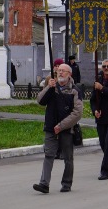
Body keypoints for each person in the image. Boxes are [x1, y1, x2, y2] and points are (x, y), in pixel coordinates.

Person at [33, 63, 83, 194]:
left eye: (63, 71)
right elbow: (40, 101)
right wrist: (49, 87)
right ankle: (44, 184)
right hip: (50, 127)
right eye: (59, 71)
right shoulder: (52, 87)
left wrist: (61, 126)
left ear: (69, 74)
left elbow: (77, 113)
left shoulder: (75, 90)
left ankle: (66, 183)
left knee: (67, 157)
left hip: (66, 129)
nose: (60, 73)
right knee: (48, 155)